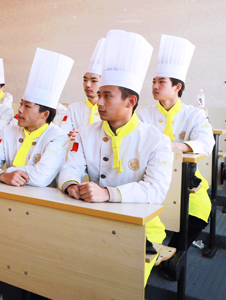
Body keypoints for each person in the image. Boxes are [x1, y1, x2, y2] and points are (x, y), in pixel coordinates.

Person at [57, 29, 174, 286]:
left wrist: (107, 193)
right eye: (99, 95)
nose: (98, 102)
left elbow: (155, 191)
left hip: (141, 228)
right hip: (93, 217)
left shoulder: (156, 140)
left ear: (130, 101)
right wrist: (71, 185)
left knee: (120, 285)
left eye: (107, 95)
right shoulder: (86, 133)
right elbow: (70, 168)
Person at [137, 34, 213, 279]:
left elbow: (206, 142)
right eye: (153, 81)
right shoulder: (144, 114)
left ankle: (176, 252)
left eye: (161, 81)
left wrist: (170, 145)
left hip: (186, 182)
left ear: (177, 86)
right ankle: (147, 247)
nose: (155, 86)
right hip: (149, 177)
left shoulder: (194, 114)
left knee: (200, 209)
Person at [0, 49, 72, 189]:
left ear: (45, 114)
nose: (20, 109)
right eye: (21, 104)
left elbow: (41, 177)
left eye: (27, 106)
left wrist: (5, 172)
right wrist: (1, 175)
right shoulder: (9, 131)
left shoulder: (58, 137)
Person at [61, 38, 105, 138]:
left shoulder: (108, 110)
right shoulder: (73, 109)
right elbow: (63, 132)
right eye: (85, 80)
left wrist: (82, 135)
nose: (87, 85)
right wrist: (70, 134)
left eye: (93, 81)